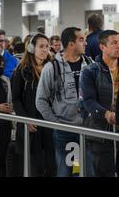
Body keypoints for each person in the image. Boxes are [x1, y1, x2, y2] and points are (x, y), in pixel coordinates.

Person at [36, 27, 92, 177]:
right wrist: (56, 123)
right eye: (81, 39)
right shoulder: (52, 68)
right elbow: (41, 100)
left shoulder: (90, 65)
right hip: (65, 131)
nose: (85, 43)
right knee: (66, 171)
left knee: (86, 171)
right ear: (71, 44)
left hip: (88, 129)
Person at [80, 30, 119, 177]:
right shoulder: (90, 71)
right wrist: (106, 114)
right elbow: (88, 101)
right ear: (102, 47)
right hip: (101, 131)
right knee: (104, 171)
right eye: (114, 42)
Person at [11, 33, 56, 177]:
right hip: (31, 121)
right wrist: (25, 119)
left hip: (49, 121)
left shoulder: (53, 68)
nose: (45, 50)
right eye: (41, 46)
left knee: (51, 163)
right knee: (34, 164)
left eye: (47, 47)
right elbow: (16, 99)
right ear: (31, 48)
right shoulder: (22, 71)